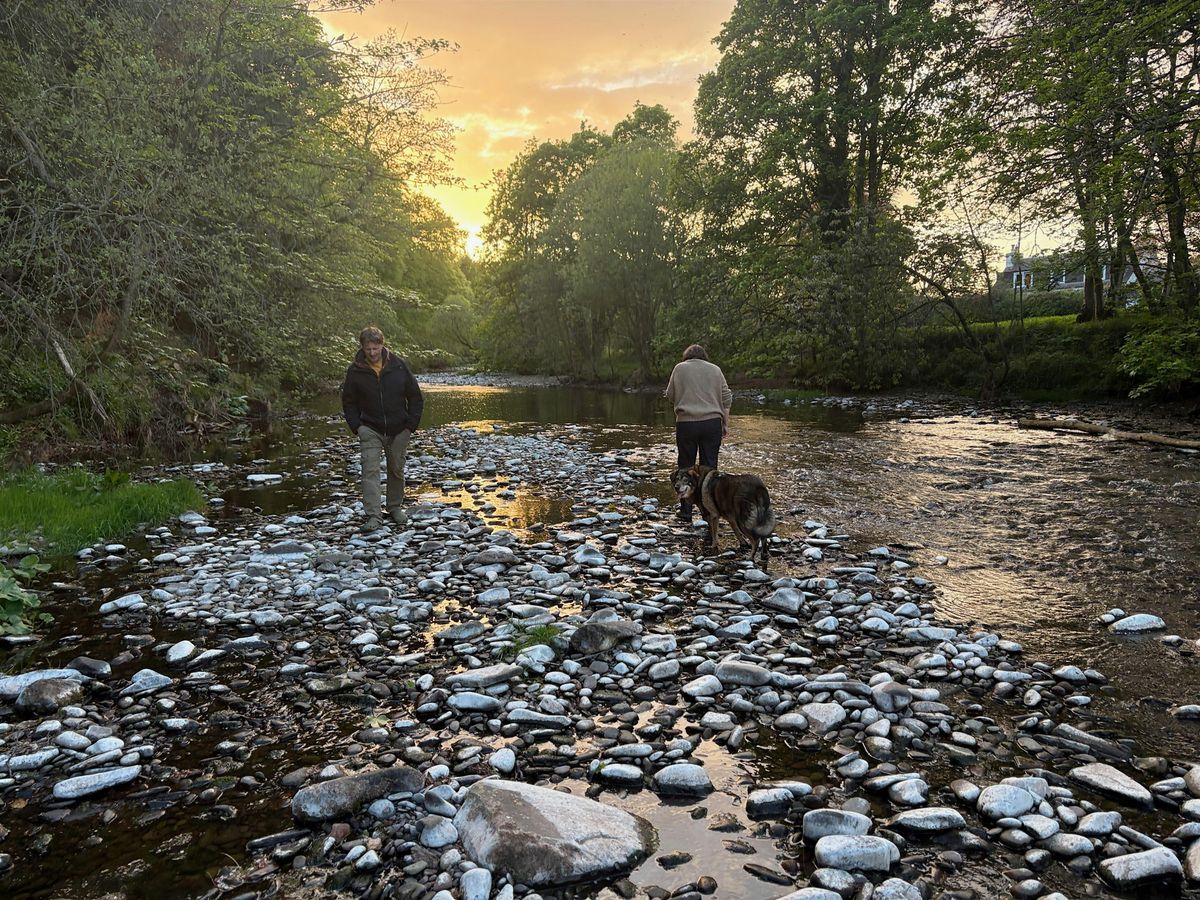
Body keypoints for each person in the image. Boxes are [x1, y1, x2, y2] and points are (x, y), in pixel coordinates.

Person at [341, 326, 424, 530]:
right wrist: (357, 427)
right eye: (368, 349)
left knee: (396, 468)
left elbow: (415, 397)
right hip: (369, 427)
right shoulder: (355, 370)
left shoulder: (398, 366)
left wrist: (410, 427)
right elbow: (348, 402)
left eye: (376, 348)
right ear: (362, 347)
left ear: (382, 345)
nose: (372, 353)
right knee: (370, 470)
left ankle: (395, 507)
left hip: (399, 428)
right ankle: (374, 516)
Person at [664, 343, 732, 522]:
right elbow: (727, 398)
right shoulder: (716, 370)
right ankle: (709, 512)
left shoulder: (679, 369)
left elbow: (670, 395)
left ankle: (686, 511)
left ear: (686, 357)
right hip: (712, 424)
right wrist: (725, 423)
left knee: (686, 466)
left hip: (687, 424)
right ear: (704, 357)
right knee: (709, 469)